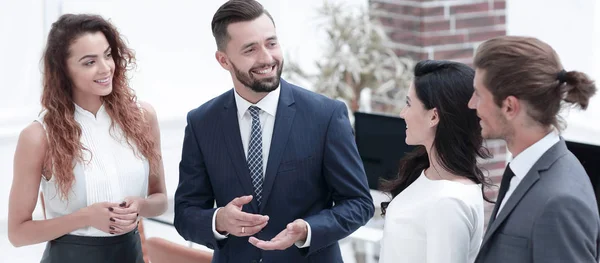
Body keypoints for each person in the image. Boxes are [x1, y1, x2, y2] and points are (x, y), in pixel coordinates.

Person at [173, 0, 374, 262]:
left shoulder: (325, 115)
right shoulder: (202, 122)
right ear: (223, 60)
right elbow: (186, 213)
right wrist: (219, 219)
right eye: (250, 50)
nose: (267, 58)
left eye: (271, 43)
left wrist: (308, 230)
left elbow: (359, 203)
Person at [7, 14, 168, 263]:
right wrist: (84, 218)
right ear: (63, 69)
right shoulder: (38, 137)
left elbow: (160, 200)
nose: (105, 68)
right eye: (89, 62)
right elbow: (17, 233)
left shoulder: (143, 118)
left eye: (107, 54)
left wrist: (140, 206)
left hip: (130, 255)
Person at [471, 36, 599, 263]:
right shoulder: (525, 170)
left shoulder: (560, 202)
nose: (472, 104)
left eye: (479, 95)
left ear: (509, 106)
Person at [377, 60, 491, 263]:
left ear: (433, 116)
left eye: (409, 104)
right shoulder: (427, 174)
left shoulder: (450, 202)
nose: (403, 114)